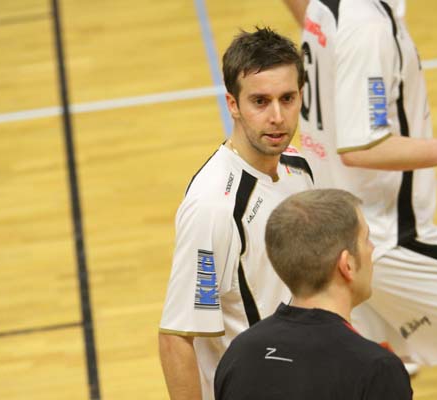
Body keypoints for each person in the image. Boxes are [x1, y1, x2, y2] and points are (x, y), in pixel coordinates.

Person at [283, 0, 437, 398]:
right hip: (386, 237)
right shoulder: (367, 28)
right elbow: (361, 147)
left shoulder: (328, 8)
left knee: (375, 361)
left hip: (334, 222)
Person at [158, 27, 314, 400]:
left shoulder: (298, 167)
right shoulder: (214, 207)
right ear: (233, 104)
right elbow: (176, 337)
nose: (277, 116)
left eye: (287, 98)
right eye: (260, 101)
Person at [215, 189, 413, 400]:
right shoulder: (377, 369)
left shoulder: (240, 352)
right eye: (366, 239)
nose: (372, 248)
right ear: (347, 265)